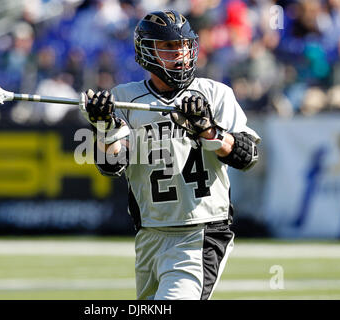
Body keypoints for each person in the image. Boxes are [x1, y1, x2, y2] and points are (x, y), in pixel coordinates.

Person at [78, 10, 260, 300]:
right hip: (150, 234)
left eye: (184, 46)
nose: (180, 54)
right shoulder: (126, 97)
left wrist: (207, 130)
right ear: (146, 52)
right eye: (168, 47)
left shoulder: (214, 94)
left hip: (199, 232)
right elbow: (111, 166)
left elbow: (248, 156)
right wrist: (104, 127)